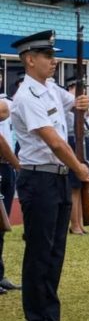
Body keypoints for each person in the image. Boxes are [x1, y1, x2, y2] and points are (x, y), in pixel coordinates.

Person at [11, 30, 89, 321]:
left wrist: (82, 102)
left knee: (56, 252)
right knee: (39, 254)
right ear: (30, 60)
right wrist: (81, 169)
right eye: (47, 56)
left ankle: (51, 320)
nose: (53, 60)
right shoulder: (26, 96)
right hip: (40, 178)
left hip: (57, 178)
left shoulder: (49, 90)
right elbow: (55, 141)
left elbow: (74, 103)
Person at [65, 76, 89, 236]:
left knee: (84, 185)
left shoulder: (82, 102)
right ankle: (75, 224)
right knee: (75, 186)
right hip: (73, 142)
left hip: (84, 142)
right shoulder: (69, 102)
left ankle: (81, 223)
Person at [0, 75, 21, 292]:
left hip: (5, 167)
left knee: (2, 224)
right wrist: (18, 164)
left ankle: (0, 274)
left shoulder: (6, 101)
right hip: (5, 164)